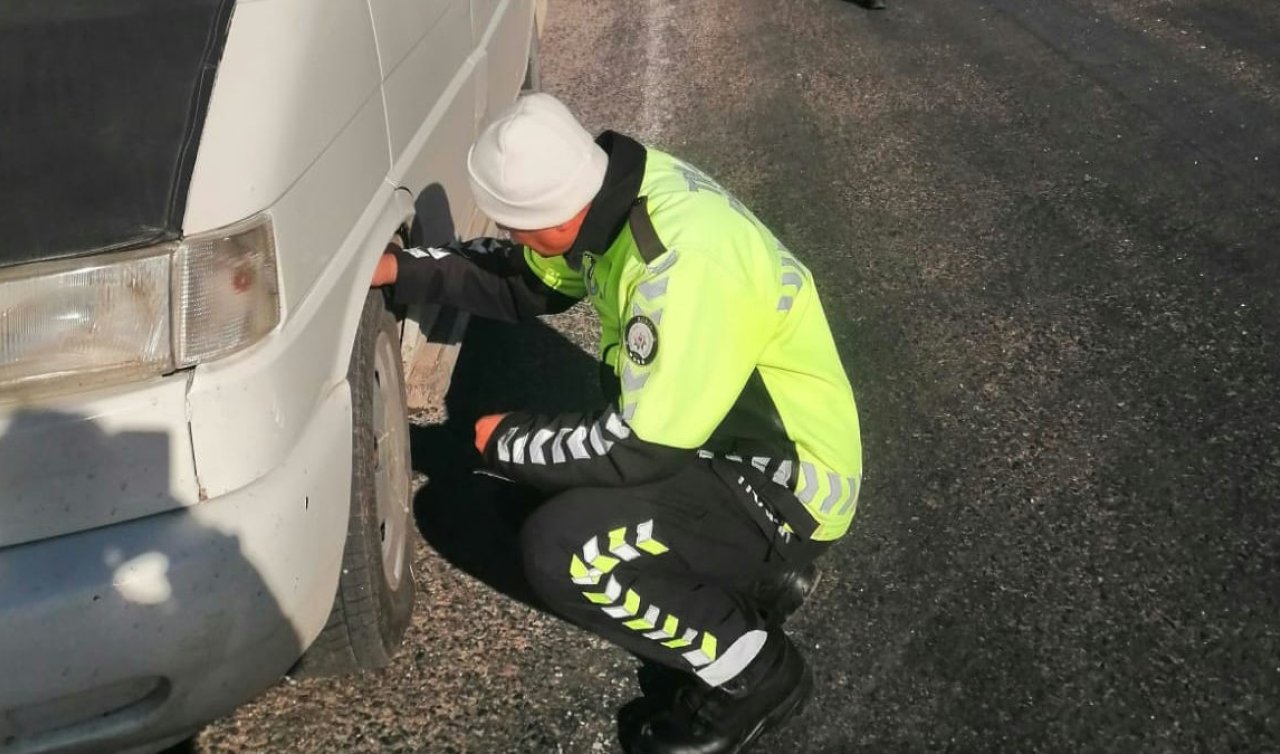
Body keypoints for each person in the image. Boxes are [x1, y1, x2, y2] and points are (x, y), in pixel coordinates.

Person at [372, 93, 862, 754]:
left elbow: (639, 448)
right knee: (531, 496)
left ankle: (754, 671)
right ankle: (756, 577)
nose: (512, 235)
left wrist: (511, 437)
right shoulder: (606, 195)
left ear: (548, 213)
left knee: (564, 549)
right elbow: (521, 281)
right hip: (717, 443)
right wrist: (404, 270)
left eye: (515, 223)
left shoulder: (680, 263)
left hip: (787, 481)